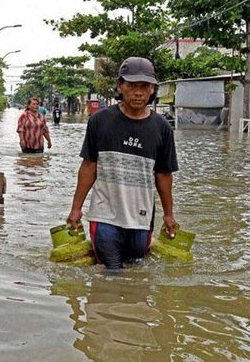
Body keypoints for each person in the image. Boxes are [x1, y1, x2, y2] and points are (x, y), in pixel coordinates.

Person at [66, 57, 178, 270]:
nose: (138, 92)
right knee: (112, 272)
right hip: (104, 215)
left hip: (142, 219)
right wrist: (76, 209)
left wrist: (169, 215)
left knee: (136, 275)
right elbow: (89, 166)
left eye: (144, 86)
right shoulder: (100, 121)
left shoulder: (162, 127)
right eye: (131, 86)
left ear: (153, 89)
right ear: (119, 86)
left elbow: (163, 175)